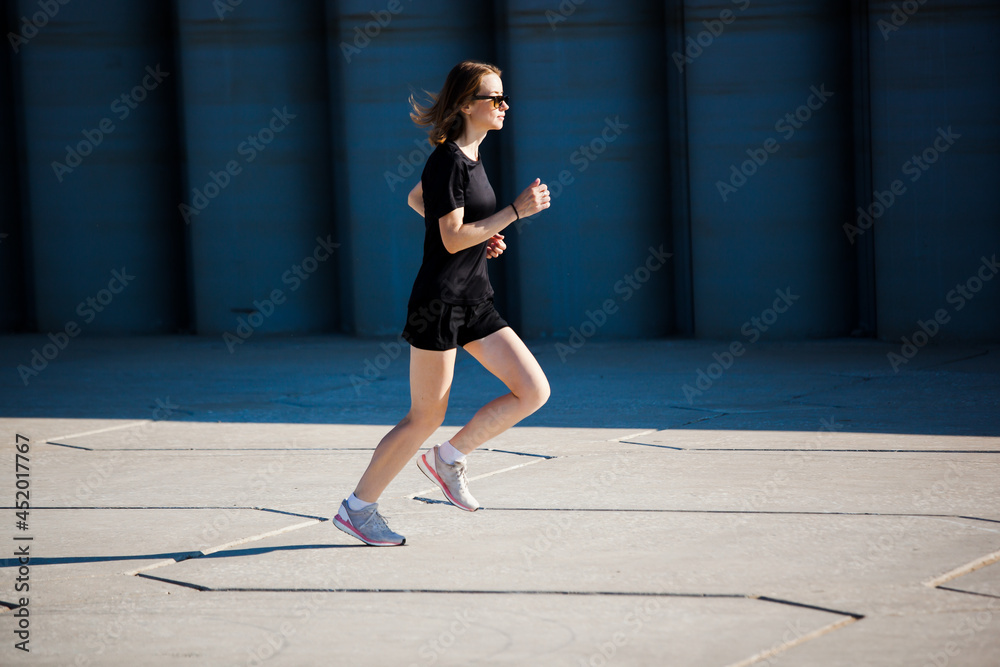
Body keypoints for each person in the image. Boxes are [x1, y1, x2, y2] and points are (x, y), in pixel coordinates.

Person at [334, 60, 552, 546]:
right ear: (464, 105)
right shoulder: (449, 159)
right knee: (424, 416)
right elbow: (450, 239)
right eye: (494, 98)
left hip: (475, 298)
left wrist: (484, 234)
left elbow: (420, 201)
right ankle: (358, 508)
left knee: (533, 391)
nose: (504, 106)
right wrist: (512, 212)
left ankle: (448, 458)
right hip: (440, 303)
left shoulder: (470, 157)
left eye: (504, 97)